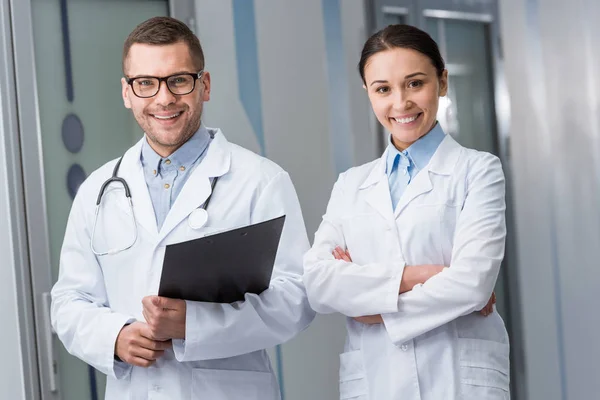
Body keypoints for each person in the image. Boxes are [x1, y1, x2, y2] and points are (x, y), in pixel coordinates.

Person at [51, 16, 315, 400]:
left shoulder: (260, 180)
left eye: (178, 80)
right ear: (126, 93)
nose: (163, 99)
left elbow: (297, 298)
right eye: (145, 83)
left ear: (203, 86)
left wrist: (197, 324)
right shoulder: (98, 190)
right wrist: (115, 337)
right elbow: (69, 300)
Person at [303, 24, 509, 399]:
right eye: (383, 89)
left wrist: (374, 308)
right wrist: (423, 275)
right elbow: (318, 283)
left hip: (456, 379)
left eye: (415, 83)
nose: (400, 103)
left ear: (442, 81)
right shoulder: (351, 184)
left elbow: (473, 284)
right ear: (368, 93)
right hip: (375, 377)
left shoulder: (478, 170)